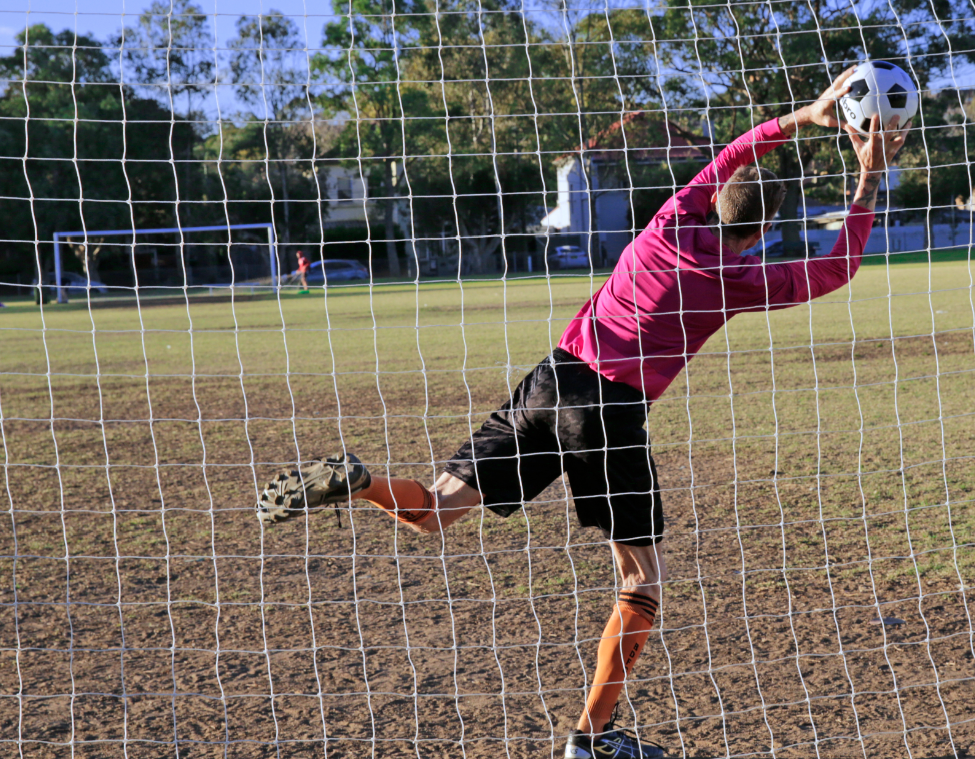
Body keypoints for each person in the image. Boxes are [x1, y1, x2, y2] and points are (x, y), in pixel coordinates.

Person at [252, 68, 908, 759]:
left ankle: (361, 483)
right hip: (607, 415)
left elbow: (728, 156)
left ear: (712, 199)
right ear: (764, 227)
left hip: (548, 380)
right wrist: (867, 177)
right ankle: (590, 740)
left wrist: (800, 118)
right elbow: (837, 269)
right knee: (640, 581)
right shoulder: (736, 278)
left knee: (433, 510)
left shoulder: (669, 220)